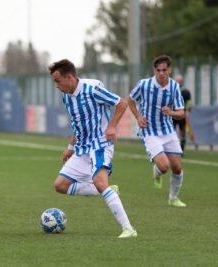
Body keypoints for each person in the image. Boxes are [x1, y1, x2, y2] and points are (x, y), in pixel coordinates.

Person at [48, 59, 137, 238]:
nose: (56, 85)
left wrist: (111, 127)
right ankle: (103, 189)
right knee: (60, 185)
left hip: (100, 144)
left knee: (100, 183)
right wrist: (70, 147)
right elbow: (78, 124)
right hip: (82, 149)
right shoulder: (66, 96)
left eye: (58, 81)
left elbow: (121, 103)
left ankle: (128, 229)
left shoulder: (93, 88)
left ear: (70, 77)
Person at [127, 55, 186, 207]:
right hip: (149, 131)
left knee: (177, 168)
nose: (161, 73)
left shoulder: (174, 87)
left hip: (167, 130)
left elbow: (181, 113)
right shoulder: (145, 85)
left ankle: (173, 198)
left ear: (170, 70)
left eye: (164, 70)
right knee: (164, 166)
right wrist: (138, 117)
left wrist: (171, 112)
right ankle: (157, 171)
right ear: (154, 70)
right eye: (158, 70)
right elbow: (130, 99)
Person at [173, 75, 192, 153]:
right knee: (172, 133)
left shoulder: (186, 92)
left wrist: (188, 112)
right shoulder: (172, 90)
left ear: (182, 82)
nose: (178, 82)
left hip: (181, 116)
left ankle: (181, 150)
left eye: (180, 80)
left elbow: (189, 103)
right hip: (173, 115)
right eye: (177, 80)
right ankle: (173, 150)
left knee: (182, 133)